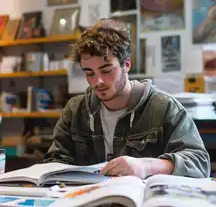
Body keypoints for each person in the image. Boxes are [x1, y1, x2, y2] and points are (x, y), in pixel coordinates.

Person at [44, 18, 210, 179]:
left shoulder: (163, 107)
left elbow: (200, 163)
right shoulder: (75, 110)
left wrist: (146, 166)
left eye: (106, 70)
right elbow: (55, 163)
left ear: (127, 65)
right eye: (89, 73)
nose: (98, 81)